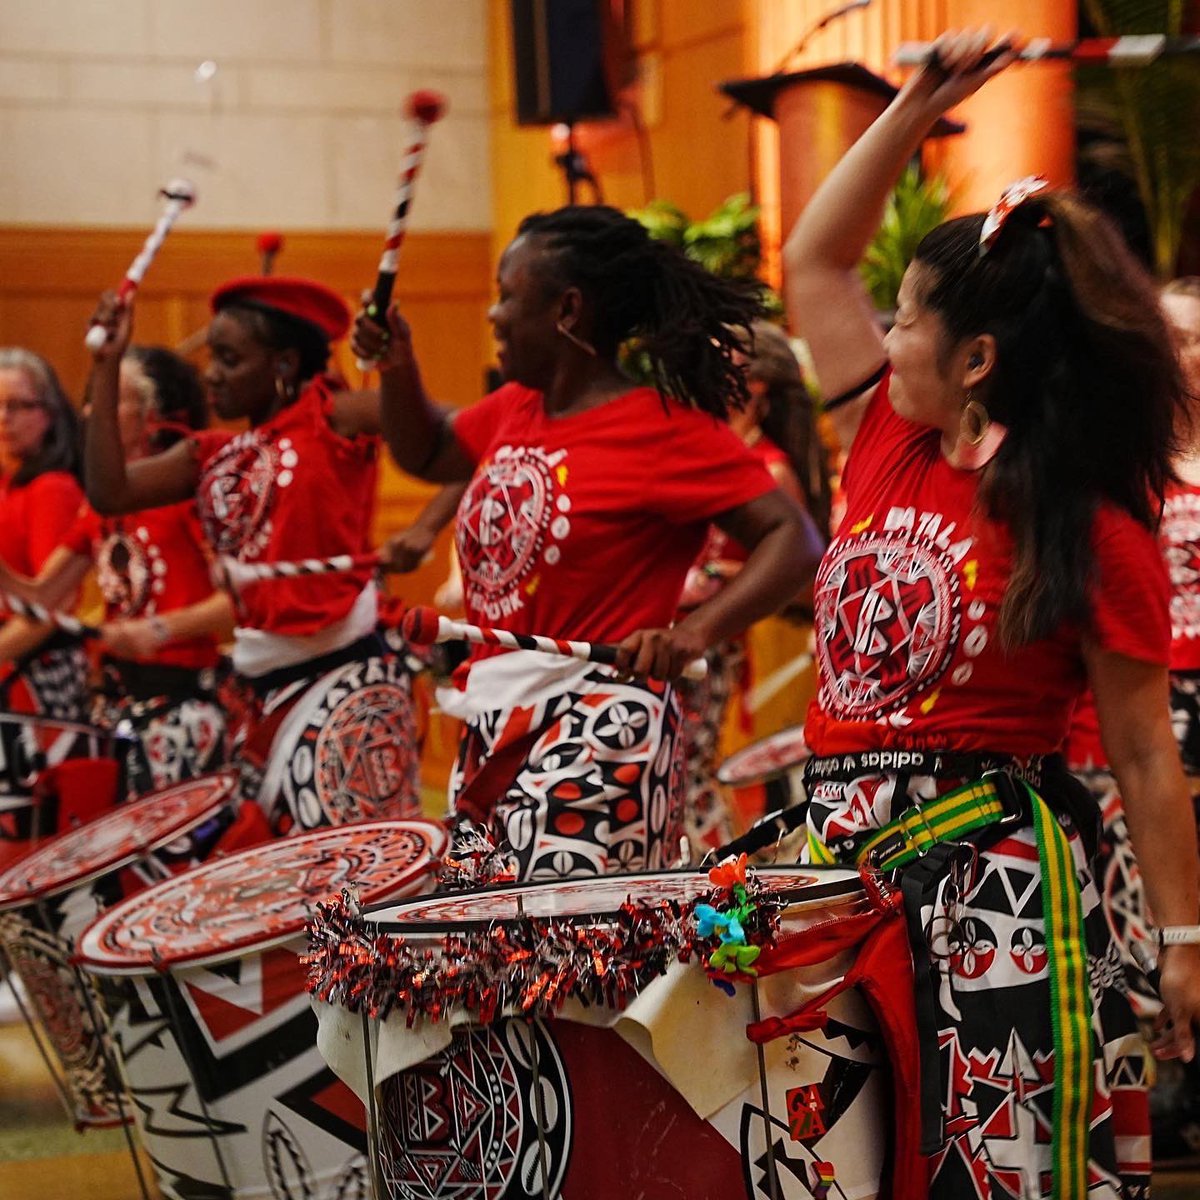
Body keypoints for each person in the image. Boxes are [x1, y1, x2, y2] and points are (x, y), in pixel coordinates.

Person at [783, 30, 1200, 1198]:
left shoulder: (1093, 522)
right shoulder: (887, 437)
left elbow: (1142, 754)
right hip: (838, 855)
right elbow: (817, 259)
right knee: (833, 1163)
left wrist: (1186, 943)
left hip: (998, 880)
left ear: (974, 358)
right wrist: (920, 99)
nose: (886, 333)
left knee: (996, 1171)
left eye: (908, 319)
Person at [352, 203, 821, 880]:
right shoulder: (516, 407)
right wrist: (398, 365)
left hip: (601, 730)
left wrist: (697, 631)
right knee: (498, 961)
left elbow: (794, 537)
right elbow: (424, 452)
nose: (494, 316)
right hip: (494, 719)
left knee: (566, 965)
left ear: (568, 311)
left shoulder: (661, 430)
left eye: (507, 297)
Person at [85, 277, 422, 834]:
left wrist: (424, 529)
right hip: (257, 686)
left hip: (346, 670)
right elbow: (108, 491)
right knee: (277, 873)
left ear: (284, 363)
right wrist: (105, 363)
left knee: (349, 877)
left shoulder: (335, 417)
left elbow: (458, 436)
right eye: (212, 357)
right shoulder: (215, 454)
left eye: (230, 358)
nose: (211, 372)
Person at [0, 346, 232, 796]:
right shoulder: (98, 506)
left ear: (151, 416)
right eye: (92, 399)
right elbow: (43, 596)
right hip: (113, 707)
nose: (91, 411)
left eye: (112, 399)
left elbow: (241, 601)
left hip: (182, 704)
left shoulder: (188, 496)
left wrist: (163, 629)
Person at [676, 320, 826, 853]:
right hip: (702, 638)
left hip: (738, 648)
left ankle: (719, 877)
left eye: (725, 362)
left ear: (756, 385)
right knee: (688, 774)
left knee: (704, 777)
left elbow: (804, 575)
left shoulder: (771, 469)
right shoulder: (711, 453)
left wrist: (717, 578)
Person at [0, 348, 89, 719]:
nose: (3, 418)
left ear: (49, 414)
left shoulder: (52, 488)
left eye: (17, 406)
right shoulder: (10, 482)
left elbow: (49, 605)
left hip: (36, 669)